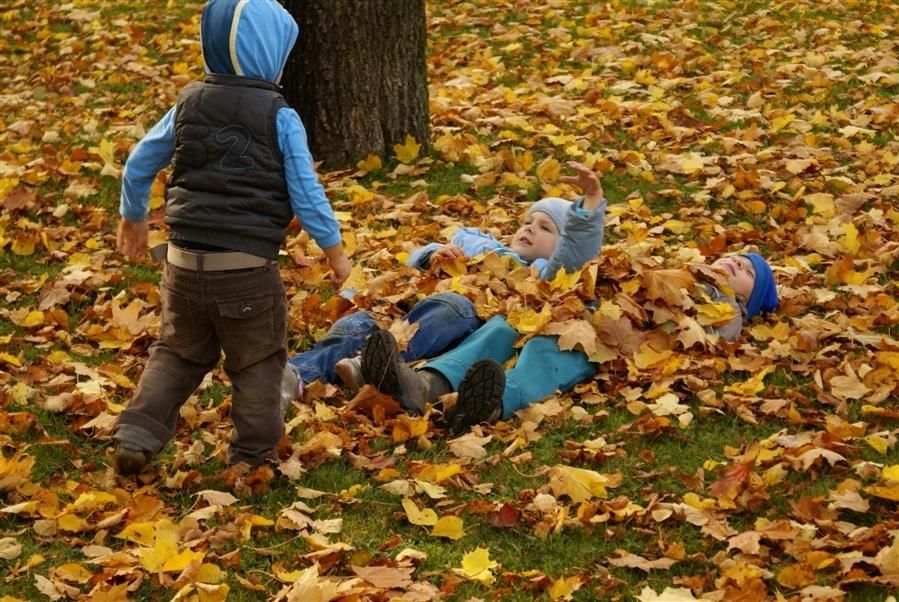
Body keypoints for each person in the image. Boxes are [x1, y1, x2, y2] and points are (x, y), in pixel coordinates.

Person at [113, 0, 351, 476]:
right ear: (271, 54)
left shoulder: (188, 101)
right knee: (258, 361)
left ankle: (137, 432)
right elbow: (306, 192)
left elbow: (140, 161)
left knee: (178, 352)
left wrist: (132, 216)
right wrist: (337, 254)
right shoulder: (281, 115)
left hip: (182, 267)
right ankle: (251, 457)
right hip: (245, 275)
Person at [285, 161, 608, 408]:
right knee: (359, 324)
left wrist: (590, 203)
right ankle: (294, 376)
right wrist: (432, 255)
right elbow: (414, 262)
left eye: (545, 228)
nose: (530, 229)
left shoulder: (538, 274)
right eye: (527, 222)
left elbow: (574, 255)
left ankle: (368, 364)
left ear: (560, 246)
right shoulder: (485, 244)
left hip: (453, 309)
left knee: (449, 311)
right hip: (405, 302)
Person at [360, 251, 779, 434]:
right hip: (582, 311)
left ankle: (490, 402)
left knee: (550, 353)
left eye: (745, 271)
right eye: (736, 256)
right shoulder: (677, 272)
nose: (734, 262)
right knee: (504, 328)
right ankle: (426, 385)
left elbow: (707, 338)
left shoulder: (726, 310)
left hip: (613, 341)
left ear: (747, 298)